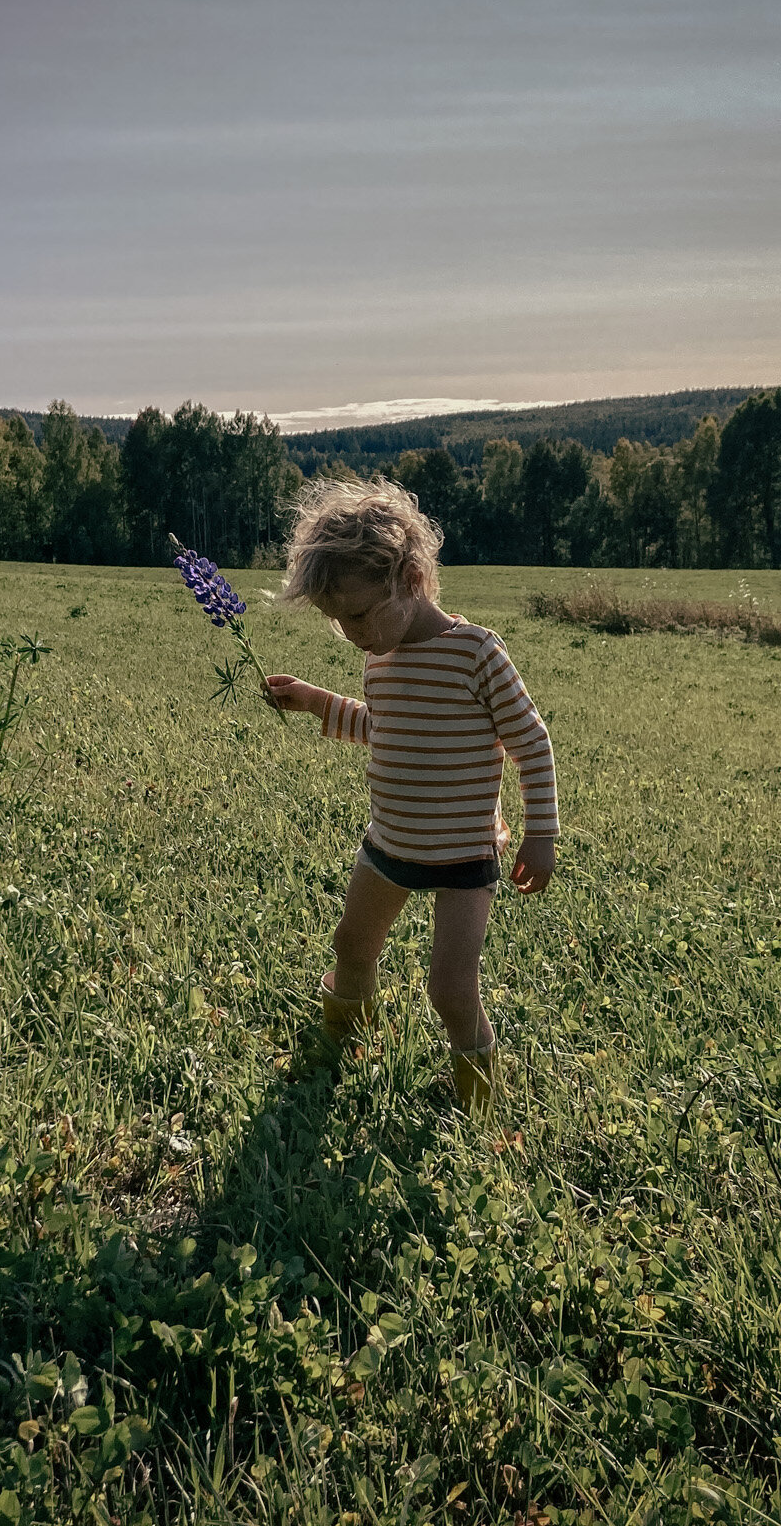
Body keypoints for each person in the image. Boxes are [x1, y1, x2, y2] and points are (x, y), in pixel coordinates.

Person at [265, 476, 558, 1113]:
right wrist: (316, 700)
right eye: (339, 622)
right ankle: (341, 1050)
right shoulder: (382, 652)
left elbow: (531, 743)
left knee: (450, 987)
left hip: (462, 857)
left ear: (411, 578)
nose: (354, 634)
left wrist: (541, 834)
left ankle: (475, 1100)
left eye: (361, 614)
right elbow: (384, 727)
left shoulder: (476, 653)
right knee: (351, 948)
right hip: (389, 844)